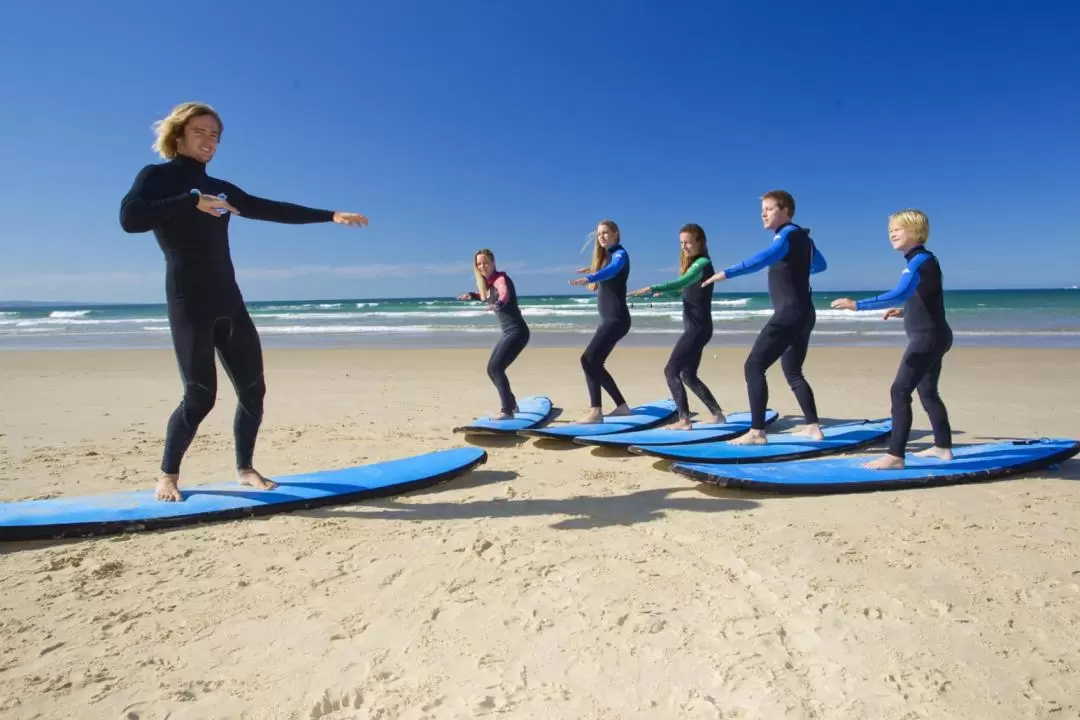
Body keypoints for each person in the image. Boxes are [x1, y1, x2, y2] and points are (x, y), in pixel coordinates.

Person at [119, 102, 368, 502]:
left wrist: (331, 215)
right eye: (200, 131)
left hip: (229, 300)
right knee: (199, 396)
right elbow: (130, 218)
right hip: (189, 301)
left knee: (253, 390)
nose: (209, 140)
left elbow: (268, 208)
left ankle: (245, 468)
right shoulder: (157, 178)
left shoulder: (222, 187)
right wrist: (190, 200)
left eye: (215, 134)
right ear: (178, 136)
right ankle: (167, 475)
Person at [831, 209, 953, 469]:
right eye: (891, 231)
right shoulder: (925, 260)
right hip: (935, 335)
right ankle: (942, 448)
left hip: (927, 339)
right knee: (928, 392)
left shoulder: (918, 261)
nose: (892, 234)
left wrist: (858, 305)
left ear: (915, 232)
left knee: (900, 390)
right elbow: (925, 300)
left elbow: (899, 292)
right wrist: (905, 311)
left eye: (898, 229)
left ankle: (895, 455)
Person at [702, 190, 826, 445]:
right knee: (793, 371)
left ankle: (757, 432)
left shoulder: (786, 236)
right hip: (805, 313)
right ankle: (813, 426)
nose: (763, 213)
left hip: (789, 314)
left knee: (753, 366)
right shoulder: (804, 238)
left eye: (769, 209)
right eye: (763, 209)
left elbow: (759, 260)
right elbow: (821, 265)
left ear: (785, 211)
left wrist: (725, 273)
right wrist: (799, 264)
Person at [629, 223, 724, 429]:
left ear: (700, 242)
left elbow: (683, 281)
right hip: (698, 328)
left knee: (671, 371)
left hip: (697, 329)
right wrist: (665, 293)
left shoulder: (702, 263)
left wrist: (653, 286)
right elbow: (684, 291)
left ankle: (684, 420)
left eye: (688, 242)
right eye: (681, 243)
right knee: (688, 375)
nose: (684, 246)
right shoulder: (694, 266)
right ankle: (717, 414)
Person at [568, 219, 633, 423]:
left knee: (588, 359)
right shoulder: (608, 257)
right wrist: (592, 269)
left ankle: (596, 411)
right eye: (599, 234)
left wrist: (591, 277)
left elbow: (613, 269)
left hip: (616, 319)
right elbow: (608, 268)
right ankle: (622, 407)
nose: (601, 237)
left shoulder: (620, 254)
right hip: (611, 319)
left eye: (605, 233)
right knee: (594, 362)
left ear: (616, 234)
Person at [456, 248, 531, 420]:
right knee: (491, 369)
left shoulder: (500, 279)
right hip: (508, 333)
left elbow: (504, 293)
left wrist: (498, 304)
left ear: (493, 263)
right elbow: (485, 296)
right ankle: (511, 403)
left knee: (496, 367)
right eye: (479, 264)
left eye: (485, 262)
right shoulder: (488, 284)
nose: (482, 266)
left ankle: (507, 411)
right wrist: (471, 295)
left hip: (517, 332)